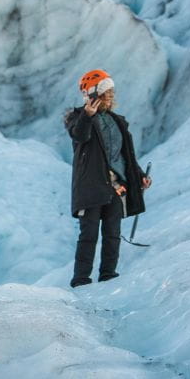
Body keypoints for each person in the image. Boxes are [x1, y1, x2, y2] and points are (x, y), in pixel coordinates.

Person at [65, 70, 152, 288]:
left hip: (116, 186)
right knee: (89, 235)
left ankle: (108, 275)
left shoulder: (117, 122)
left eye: (110, 92)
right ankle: (81, 280)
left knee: (112, 233)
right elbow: (79, 136)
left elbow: (125, 155)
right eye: (106, 92)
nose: (110, 96)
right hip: (91, 186)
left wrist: (140, 176)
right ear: (93, 94)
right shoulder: (77, 118)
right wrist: (87, 116)